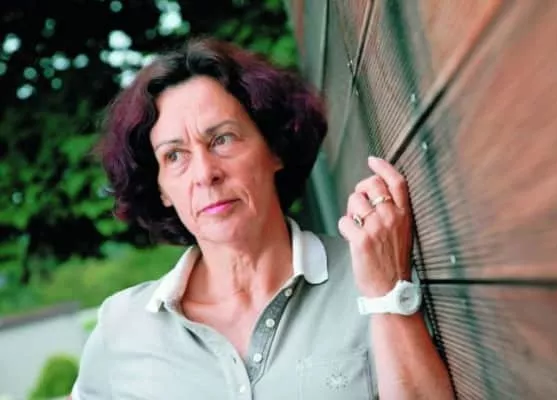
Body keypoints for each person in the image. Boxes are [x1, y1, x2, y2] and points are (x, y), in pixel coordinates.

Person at [70, 38, 453, 400]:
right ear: (161, 189)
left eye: (222, 139)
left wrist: (386, 296)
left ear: (275, 149)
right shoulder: (122, 329)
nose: (205, 173)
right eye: (174, 156)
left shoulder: (371, 278)